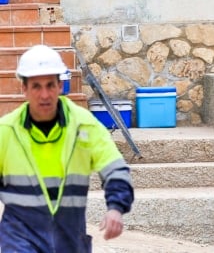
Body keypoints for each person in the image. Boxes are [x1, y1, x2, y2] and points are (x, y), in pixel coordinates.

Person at [0, 44, 134, 252]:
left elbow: (115, 168)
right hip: (19, 238)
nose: (44, 94)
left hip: (69, 239)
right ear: (24, 89)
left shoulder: (84, 125)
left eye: (50, 85)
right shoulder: (6, 131)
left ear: (60, 86)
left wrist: (116, 208)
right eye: (36, 86)